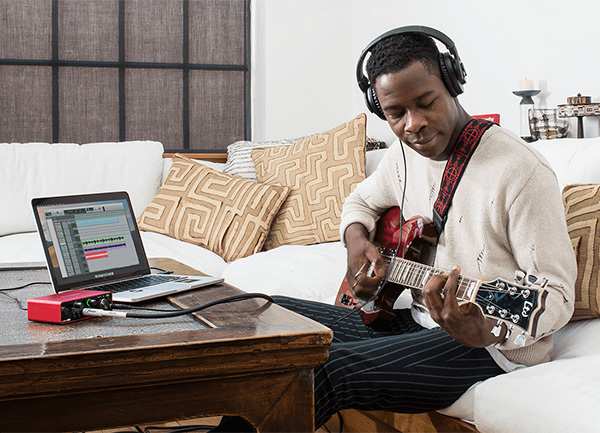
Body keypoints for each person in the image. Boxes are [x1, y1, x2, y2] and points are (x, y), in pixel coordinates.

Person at [212, 27, 576, 432]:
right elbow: (360, 202)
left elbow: (557, 295)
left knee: (321, 372)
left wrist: (484, 328)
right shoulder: (404, 154)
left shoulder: (520, 171)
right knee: (264, 314)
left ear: (452, 82)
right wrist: (355, 241)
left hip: (488, 346)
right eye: (396, 113)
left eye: (426, 103)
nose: (413, 124)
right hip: (417, 320)